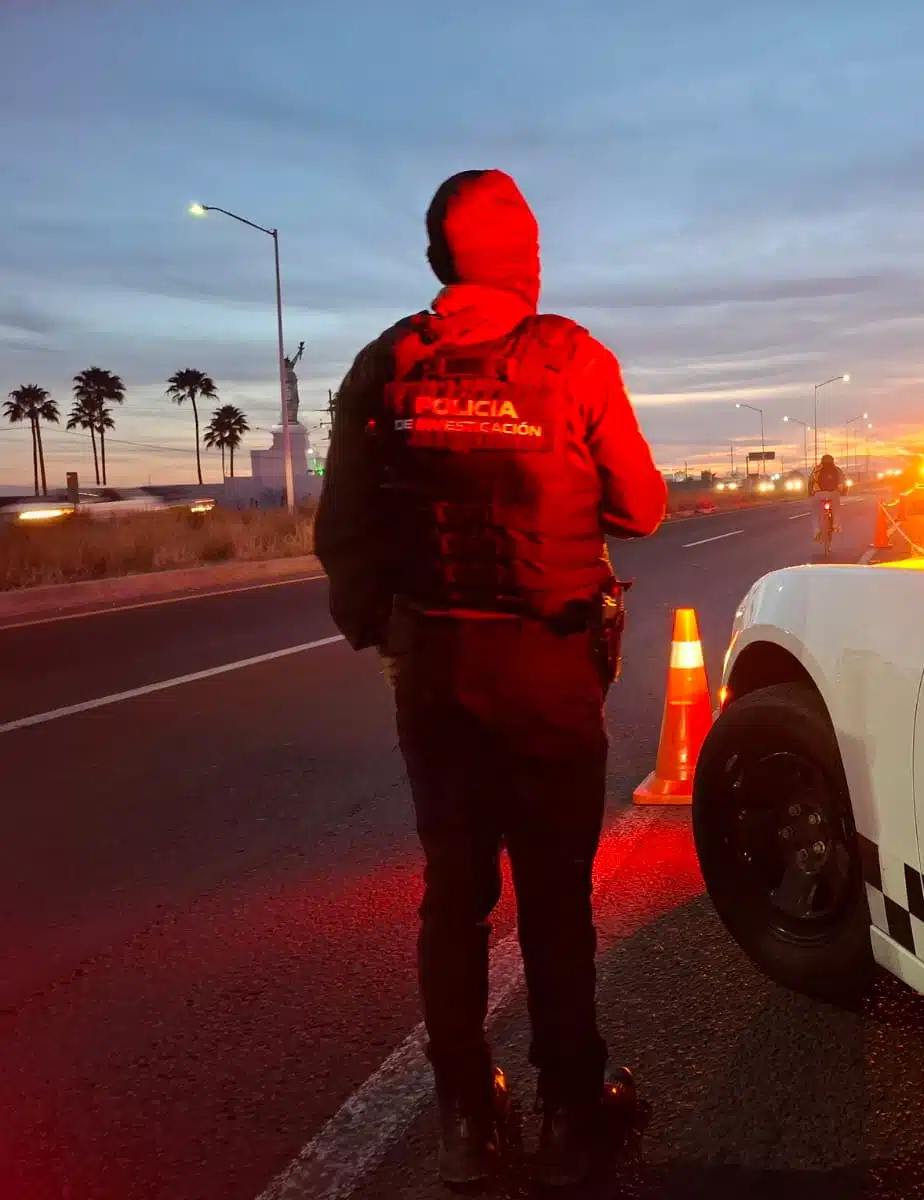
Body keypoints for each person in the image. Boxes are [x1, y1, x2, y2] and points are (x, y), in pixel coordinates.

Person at [314, 169, 667, 1189]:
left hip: (435, 669)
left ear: (437, 262)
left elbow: (345, 534)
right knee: (556, 899)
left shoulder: (385, 364)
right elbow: (639, 508)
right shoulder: (572, 359)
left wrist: (385, 630)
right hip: (549, 667)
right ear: (530, 261)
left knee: (453, 897)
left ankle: (468, 1118)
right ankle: (572, 1106)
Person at [807, 453, 843, 541]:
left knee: (815, 512)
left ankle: (816, 531)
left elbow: (810, 482)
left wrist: (810, 493)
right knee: (836, 508)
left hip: (819, 494)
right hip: (833, 493)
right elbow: (843, 482)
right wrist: (843, 492)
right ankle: (836, 525)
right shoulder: (837, 469)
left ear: (822, 461)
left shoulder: (817, 469)